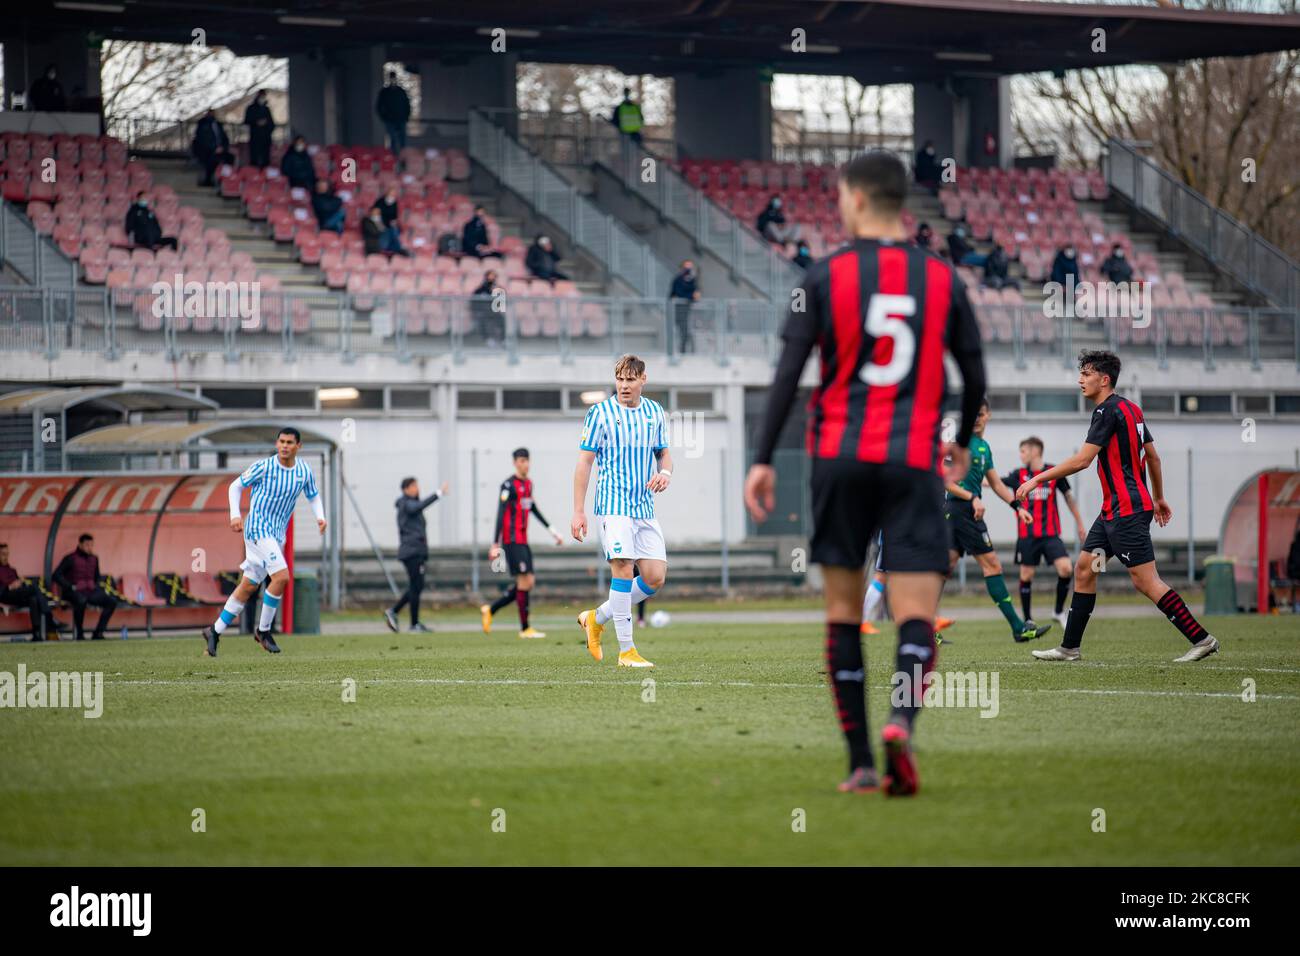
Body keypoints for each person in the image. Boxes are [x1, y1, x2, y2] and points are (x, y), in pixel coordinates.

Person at [743, 150, 987, 796]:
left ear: (853, 199)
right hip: (911, 461)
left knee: (844, 612)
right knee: (914, 614)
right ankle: (900, 723)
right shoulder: (941, 278)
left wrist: (763, 458)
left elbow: (787, 377)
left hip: (840, 457)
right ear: (903, 204)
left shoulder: (822, 277)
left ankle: (857, 763)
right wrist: (960, 440)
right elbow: (976, 370)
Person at [1019, 351, 1220, 663]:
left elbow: (1083, 460)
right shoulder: (1132, 410)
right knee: (1085, 569)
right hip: (1113, 512)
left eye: (1086, 374)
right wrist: (1159, 496)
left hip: (1126, 512)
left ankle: (1202, 638)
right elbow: (1152, 456)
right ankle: (1069, 647)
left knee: (1145, 580)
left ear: (1104, 379)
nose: (1080, 380)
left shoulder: (1106, 412)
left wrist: (1037, 479)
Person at [573, 355, 672, 668]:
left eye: (631, 379)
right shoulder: (599, 413)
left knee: (655, 577)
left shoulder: (655, 412)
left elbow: (665, 455)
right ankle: (626, 651)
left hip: (643, 506)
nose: (624, 385)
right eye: (620, 379)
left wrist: (665, 473)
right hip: (613, 506)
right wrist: (579, 511)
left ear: (643, 379)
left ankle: (596, 616)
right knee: (624, 567)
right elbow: (584, 463)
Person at [201, 427, 326, 658]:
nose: (284, 446)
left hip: (276, 535)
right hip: (257, 529)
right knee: (281, 577)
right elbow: (235, 486)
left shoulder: (303, 471)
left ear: (299, 446)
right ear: (276, 443)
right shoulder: (264, 466)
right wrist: (235, 515)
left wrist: (320, 517)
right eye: (281, 441)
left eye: (289, 442)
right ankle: (263, 630)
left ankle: (214, 631)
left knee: (248, 586)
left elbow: (313, 495)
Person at [944, 399, 1052, 644]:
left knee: (944, 568)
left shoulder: (984, 447)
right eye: (972, 415)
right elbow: (946, 481)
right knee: (992, 565)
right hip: (961, 510)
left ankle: (924, 628)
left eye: (980, 415)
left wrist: (1017, 507)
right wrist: (972, 497)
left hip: (962, 511)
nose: (976, 419)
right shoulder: (959, 445)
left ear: (988, 416)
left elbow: (997, 484)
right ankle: (1018, 627)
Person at [1001, 437, 1086, 629]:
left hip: (1050, 534)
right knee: (1026, 574)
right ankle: (1028, 619)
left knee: (1065, 568)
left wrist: (1080, 523)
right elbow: (995, 483)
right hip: (1027, 535)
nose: (1020, 455)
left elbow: (1069, 499)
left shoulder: (1053, 472)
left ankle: (1057, 611)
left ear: (1035, 451)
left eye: (1023, 451)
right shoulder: (1018, 474)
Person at [482, 448, 564, 639]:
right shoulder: (508, 485)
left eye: (527, 460)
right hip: (511, 541)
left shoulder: (528, 484)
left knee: (527, 582)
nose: (524, 464)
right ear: (515, 463)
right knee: (524, 581)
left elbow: (533, 509)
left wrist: (553, 532)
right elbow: (501, 513)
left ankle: (491, 610)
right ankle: (525, 628)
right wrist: (495, 543)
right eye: (521, 461)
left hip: (523, 540)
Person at [384, 477, 449, 634]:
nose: (416, 488)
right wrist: (438, 493)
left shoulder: (409, 504)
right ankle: (411, 622)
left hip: (416, 551)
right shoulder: (406, 503)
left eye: (416, 485)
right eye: (413, 486)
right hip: (412, 552)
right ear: (405, 489)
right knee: (416, 586)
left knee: (416, 586)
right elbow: (418, 506)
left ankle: (395, 612)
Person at [52, 534, 119, 641]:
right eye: (87, 545)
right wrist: (70, 586)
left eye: (92, 545)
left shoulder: (94, 558)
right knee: (81, 600)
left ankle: (98, 632)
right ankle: (80, 633)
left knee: (111, 601)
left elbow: (97, 576)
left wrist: (95, 584)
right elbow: (56, 575)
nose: (90, 547)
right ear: (80, 544)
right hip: (73, 592)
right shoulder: (70, 558)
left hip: (90, 591)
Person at [0, 543, 61, 641]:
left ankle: (36, 634)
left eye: (7, 554)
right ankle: (50, 617)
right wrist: (9, 587)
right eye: (3, 554)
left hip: (18, 595)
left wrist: (20, 583)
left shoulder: (12, 570)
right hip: (5, 595)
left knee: (34, 599)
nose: (5, 557)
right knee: (34, 588)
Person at [191, 108, 234, 187]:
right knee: (211, 160)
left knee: (230, 158)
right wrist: (214, 148)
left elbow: (225, 138)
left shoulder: (218, 124)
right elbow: (202, 140)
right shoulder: (202, 124)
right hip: (207, 150)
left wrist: (224, 147)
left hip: (220, 149)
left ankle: (225, 178)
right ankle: (208, 180)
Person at [668, 259, 700, 354]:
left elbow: (696, 294)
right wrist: (691, 296)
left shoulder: (693, 281)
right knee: (683, 331)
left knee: (688, 331)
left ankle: (688, 351)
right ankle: (682, 351)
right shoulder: (677, 280)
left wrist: (694, 296)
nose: (689, 270)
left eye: (690, 267)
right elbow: (678, 293)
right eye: (686, 267)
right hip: (679, 310)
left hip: (690, 310)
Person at [376, 72, 412, 154]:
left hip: (401, 119)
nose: (393, 80)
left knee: (402, 140)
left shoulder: (401, 91)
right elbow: (379, 106)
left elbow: (407, 105)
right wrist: (384, 117)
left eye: (394, 78)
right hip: (389, 120)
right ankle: (394, 157)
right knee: (393, 139)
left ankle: (403, 158)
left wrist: (406, 117)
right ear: (389, 79)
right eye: (391, 78)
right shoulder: (384, 92)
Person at [471, 269, 505, 344]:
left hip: (495, 311)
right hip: (483, 312)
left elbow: (502, 303)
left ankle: (503, 340)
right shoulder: (480, 289)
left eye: (493, 277)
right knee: (482, 321)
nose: (491, 278)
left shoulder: (499, 289)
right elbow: (474, 300)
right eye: (490, 276)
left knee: (502, 321)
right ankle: (487, 339)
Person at [244, 90, 274, 169]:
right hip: (255, 138)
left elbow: (272, 123)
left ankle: (264, 177)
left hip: (266, 138)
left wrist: (267, 128)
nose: (262, 98)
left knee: (266, 160)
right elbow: (246, 121)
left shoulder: (267, 109)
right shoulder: (250, 108)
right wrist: (256, 123)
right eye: (261, 96)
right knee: (254, 159)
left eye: (264, 96)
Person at [1287, 527, 1300, 613]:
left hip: (1294, 572)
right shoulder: (1296, 546)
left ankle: (1296, 605)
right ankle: (1296, 605)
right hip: (1295, 572)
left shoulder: (1294, 544)